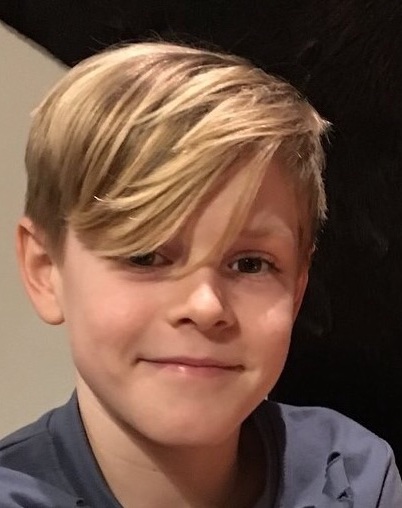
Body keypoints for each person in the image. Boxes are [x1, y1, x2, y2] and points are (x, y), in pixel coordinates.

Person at [0, 41, 400, 508]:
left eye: (250, 264)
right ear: (46, 270)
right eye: (144, 256)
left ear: (296, 289)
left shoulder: (351, 472)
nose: (206, 306)